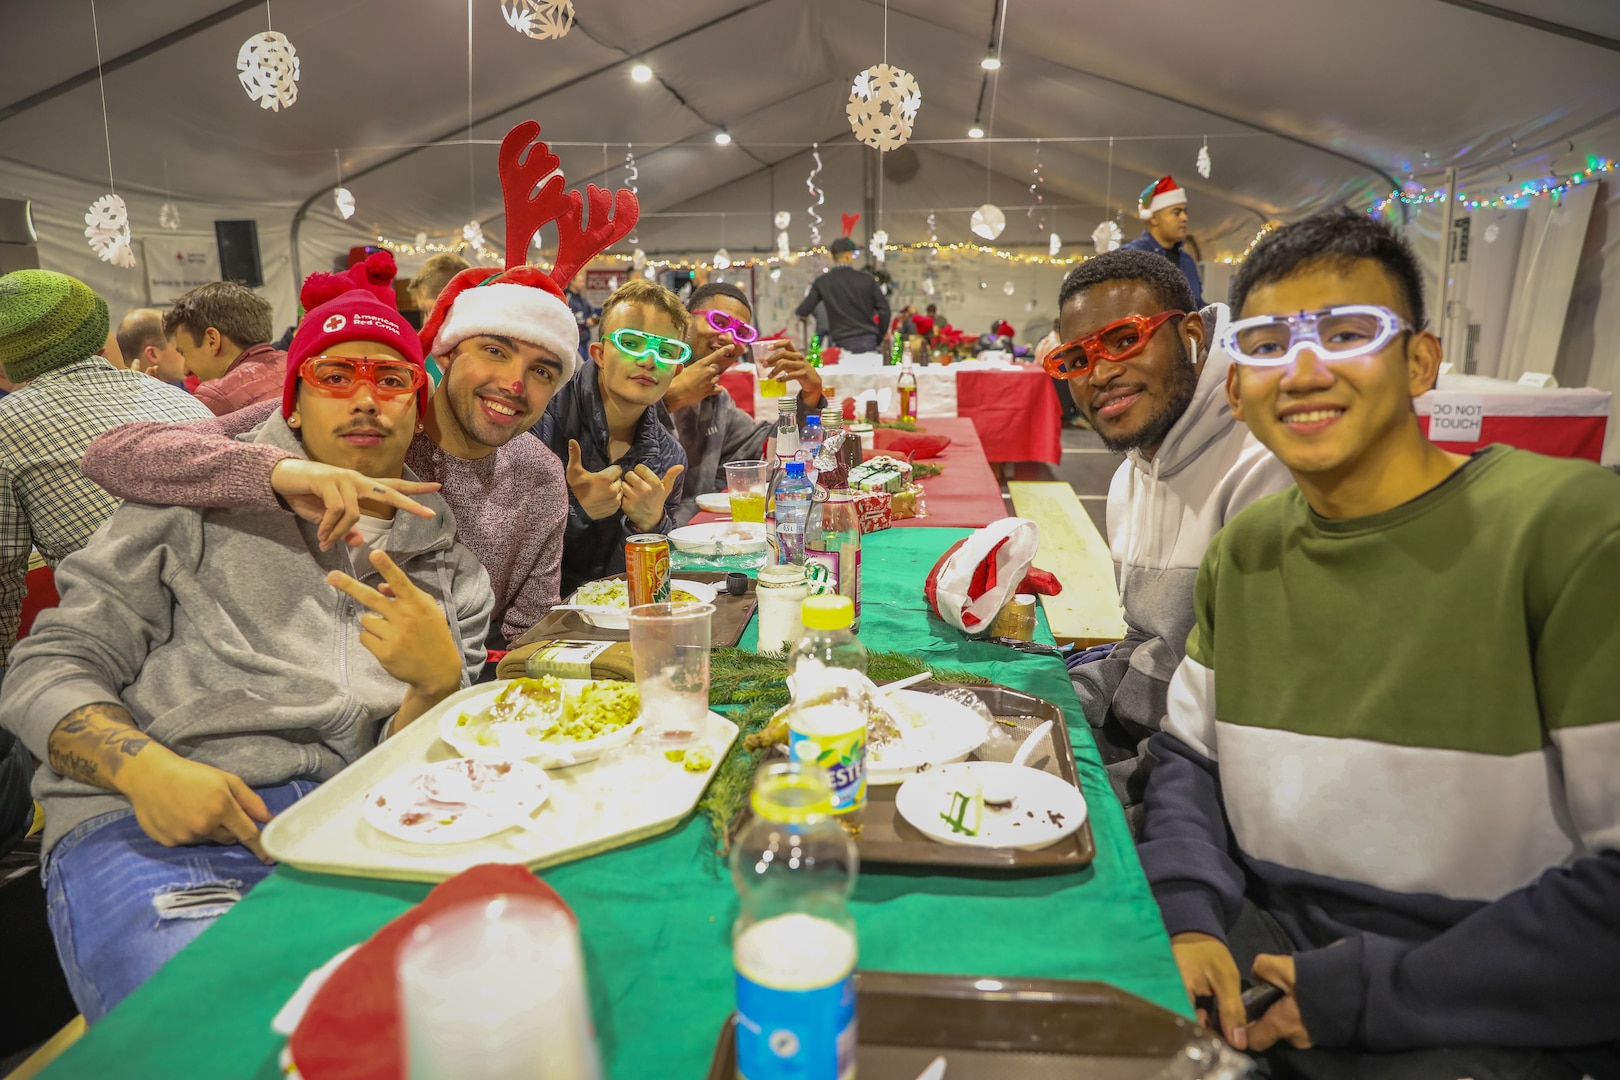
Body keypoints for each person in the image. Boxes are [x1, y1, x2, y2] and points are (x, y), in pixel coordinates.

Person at [1136, 211, 1620, 1075]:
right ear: (1237, 385)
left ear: (1422, 363)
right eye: (1267, 344)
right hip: (1260, 952)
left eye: (1349, 332)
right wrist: (1187, 914)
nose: (1305, 370)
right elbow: (1189, 761)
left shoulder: (1568, 533)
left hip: (1478, 1009)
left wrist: (1372, 992)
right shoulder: (1246, 552)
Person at [1, 274, 492, 1023]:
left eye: (391, 378)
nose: (366, 396)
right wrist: (147, 770)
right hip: (159, 823)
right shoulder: (187, 503)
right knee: (215, 1025)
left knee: (459, 1008)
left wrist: (435, 688)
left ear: (416, 407)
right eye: (337, 375)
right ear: (292, 399)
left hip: (350, 824)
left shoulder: (448, 562)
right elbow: (47, 665)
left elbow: (425, 764)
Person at [80, 256, 578, 649]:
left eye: (542, 371)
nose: (514, 383)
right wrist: (281, 473)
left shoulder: (538, 475)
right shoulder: (349, 422)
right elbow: (113, 453)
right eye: (494, 350)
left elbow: (530, 630)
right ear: (444, 355)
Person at [1051, 249, 1290, 830]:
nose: (1098, 373)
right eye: (1076, 357)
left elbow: (1235, 720)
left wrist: (1094, 792)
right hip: (1146, 743)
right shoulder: (1130, 476)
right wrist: (1055, 707)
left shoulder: (1264, 467)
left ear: (1188, 335)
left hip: (1210, 790)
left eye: (1124, 339)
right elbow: (1144, 640)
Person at [0, 271, 211, 667]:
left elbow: (3, 581)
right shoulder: (179, 398)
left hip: (127, 651)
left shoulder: (7, 424)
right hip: (233, 622)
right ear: (101, 336)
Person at [536, 279, 687, 596]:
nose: (649, 360)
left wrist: (652, 526)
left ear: (677, 370)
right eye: (631, 343)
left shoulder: (669, 457)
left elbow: (654, 581)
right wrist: (577, 511)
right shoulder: (539, 422)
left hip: (615, 622)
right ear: (600, 353)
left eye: (665, 351)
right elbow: (498, 552)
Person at [660, 282, 824, 526]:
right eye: (720, 322)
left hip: (699, 533)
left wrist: (811, 394)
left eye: (741, 333)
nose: (729, 338)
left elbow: (764, 448)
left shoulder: (716, 400)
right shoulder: (646, 376)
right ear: (686, 319)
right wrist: (669, 399)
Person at [162, 280, 285, 415]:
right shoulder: (301, 364)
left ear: (212, 340)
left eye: (184, 352)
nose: (186, 371)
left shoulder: (215, 398)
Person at [794, 237, 890, 353]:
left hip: (842, 342)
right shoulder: (867, 280)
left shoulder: (823, 282)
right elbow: (885, 310)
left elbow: (803, 310)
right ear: (847, 256)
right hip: (868, 340)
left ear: (834, 257)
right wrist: (878, 336)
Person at [1124, 176, 1204, 309]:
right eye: (1176, 212)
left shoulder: (1187, 261)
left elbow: (1196, 305)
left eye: (1185, 212)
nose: (1185, 218)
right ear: (1154, 218)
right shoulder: (1132, 257)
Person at [114, 307, 188, 384]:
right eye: (180, 349)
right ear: (153, 354)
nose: (188, 353)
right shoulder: (114, 392)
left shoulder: (181, 384)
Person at [564, 271, 599, 364]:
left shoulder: (582, 299)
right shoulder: (566, 298)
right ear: (572, 281)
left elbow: (591, 313)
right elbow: (565, 318)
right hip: (571, 343)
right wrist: (585, 322)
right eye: (580, 281)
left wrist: (593, 320)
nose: (583, 284)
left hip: (584, 342)